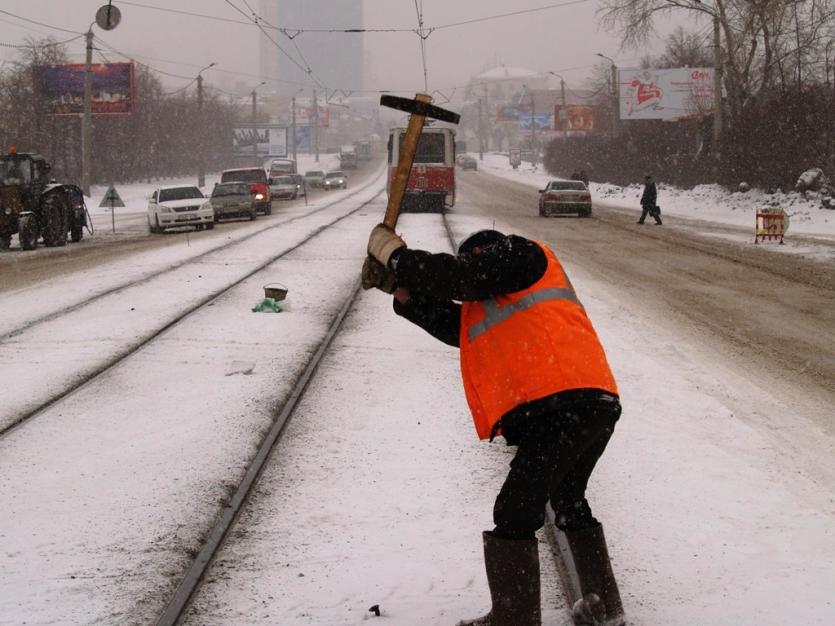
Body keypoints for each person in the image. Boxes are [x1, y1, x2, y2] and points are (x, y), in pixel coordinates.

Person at [362, 226, 625, 626]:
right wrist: (406, 293)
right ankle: (603, 607)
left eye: (473, 260)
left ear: (484, 251)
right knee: (567, 499)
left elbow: (460, 277)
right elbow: (459, 329)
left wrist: (398, 257)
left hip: (563, 401)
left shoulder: (522, 254)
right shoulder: (496, 289)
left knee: (516, 509)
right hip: (585, 401)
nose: (471, 268)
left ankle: (514, 617)